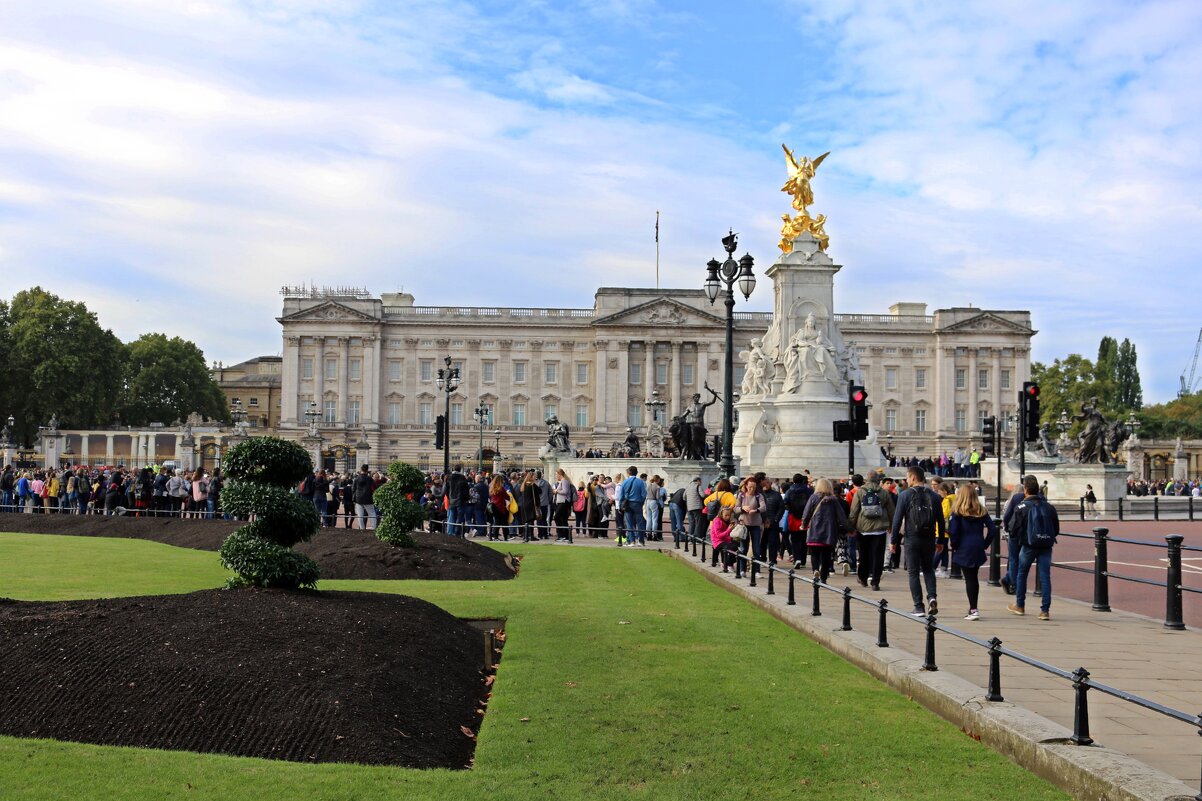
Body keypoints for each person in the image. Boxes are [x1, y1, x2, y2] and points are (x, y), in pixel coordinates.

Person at [890, 466, 947, 617]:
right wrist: (940, 540)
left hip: (911, 538)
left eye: (908, 477)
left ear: (913, 478)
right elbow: (941, 522)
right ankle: (932, 597)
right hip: (929, 538)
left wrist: (893, 541)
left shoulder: (905, 495)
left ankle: (918, 606)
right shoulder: (935, 497)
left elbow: (897, 520)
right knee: (928, 570)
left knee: (913, 573)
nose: (907, 480)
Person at [1008, 475, 1060, 620]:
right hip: (1046, 545)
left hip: (1028, 544)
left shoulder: (1022, 507)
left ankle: (1020, 605)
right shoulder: (1049, 507)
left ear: (1025, 490)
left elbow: (1012, 528)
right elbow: (1056, 528)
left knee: (1022, 573)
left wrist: (1019, 539)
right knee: (1045, 576)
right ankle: (1045, 610)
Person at [948, 484, 996, 620]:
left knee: (970, 579)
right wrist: (984, 544)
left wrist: (955, 545)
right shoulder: (981, 511)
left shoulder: (957, 512)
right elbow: (992, 530)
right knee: (973, 577)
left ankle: (974, 609)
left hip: (964, 547)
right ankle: (973, 608)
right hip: (977, 546)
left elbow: (954, 532)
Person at [848, 469, 895, 590]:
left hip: (863, 529)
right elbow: (891, 511)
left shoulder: (860, 492)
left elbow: (854, 511)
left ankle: (863, 578)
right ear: (878, 479)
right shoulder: (884, 493)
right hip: (879, 529)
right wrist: (891, 525)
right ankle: (875, 582)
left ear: (866, 479)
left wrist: (851, 526)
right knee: (878, 556)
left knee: (864, 555)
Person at [801, 478, 850, 585]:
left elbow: (806, 513)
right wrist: (848, 528)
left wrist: (803, 524)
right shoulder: (834, 500)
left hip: (815, 530)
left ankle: (815, 571)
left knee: (814, 554)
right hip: (829, 531)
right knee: (826, 556)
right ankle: (823, 577)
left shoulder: (813, 498)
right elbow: (841, 516)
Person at [783, 474, 813, 569]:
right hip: (805, 517)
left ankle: (797, 559)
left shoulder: (789, 491)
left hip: (793, 517)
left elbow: (786, 502)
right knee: (803, 539)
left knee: (794, 539)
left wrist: (790, 508)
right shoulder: (809, 491)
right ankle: (803, 560)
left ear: (794, 480)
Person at [735, 476, 767, 561]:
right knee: (743, 548)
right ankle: (742, 569)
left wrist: (756, 510)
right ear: (746, 486)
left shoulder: (758, 495)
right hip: (744, 525)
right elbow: (735, 509)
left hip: (755, 524)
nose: (752, 489)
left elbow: (763, 507)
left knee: (756, 549)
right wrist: (743, 508)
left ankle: (756, 570)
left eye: (754, 487)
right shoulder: (741, 495)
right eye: (750, 487)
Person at [617, 466, 647, 547]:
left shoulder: (625, 482)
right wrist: (641, 502)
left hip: (628, 504)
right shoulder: (640, 482)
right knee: (640, 523)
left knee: (629, 523)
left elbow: (621, 496)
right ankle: (641, 541)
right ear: (636, 473)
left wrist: (620, 506)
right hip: (637, 503)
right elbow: (644, 494)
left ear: (628, 473)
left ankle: (632, 541)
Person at [709, 506, 736, 572]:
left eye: (729, 515)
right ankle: (729, 565)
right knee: (733, 547)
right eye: (726, 515)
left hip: (724, 539)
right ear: (721, 514)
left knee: (737, 545)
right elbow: (718, 535)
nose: (727, 517)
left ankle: (726, 563)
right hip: (717, 541)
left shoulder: (727, 521)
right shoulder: (717, 521)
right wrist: (729, 530)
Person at [352, 464, 377, 530]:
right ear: (367, 470)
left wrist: (354, 498)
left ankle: (362, 528)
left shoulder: (356, 478)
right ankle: (374, 528)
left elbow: (353, 489)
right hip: (368, 498)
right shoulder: (369, 478)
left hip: (358, 498)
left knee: (360, 515)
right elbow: (375, 487)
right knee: (372, 513)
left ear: (361, 469)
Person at [553, 468, 573, 542]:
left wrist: (556, 491)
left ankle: (561, 535)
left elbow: (565, 491)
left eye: (556, 475)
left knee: (556, 517)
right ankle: (566, 536)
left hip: (563, 502)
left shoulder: (564, 481)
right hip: (562, 502)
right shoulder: (563, 481)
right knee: (563, 520)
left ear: (559, 474)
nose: (556, 476)